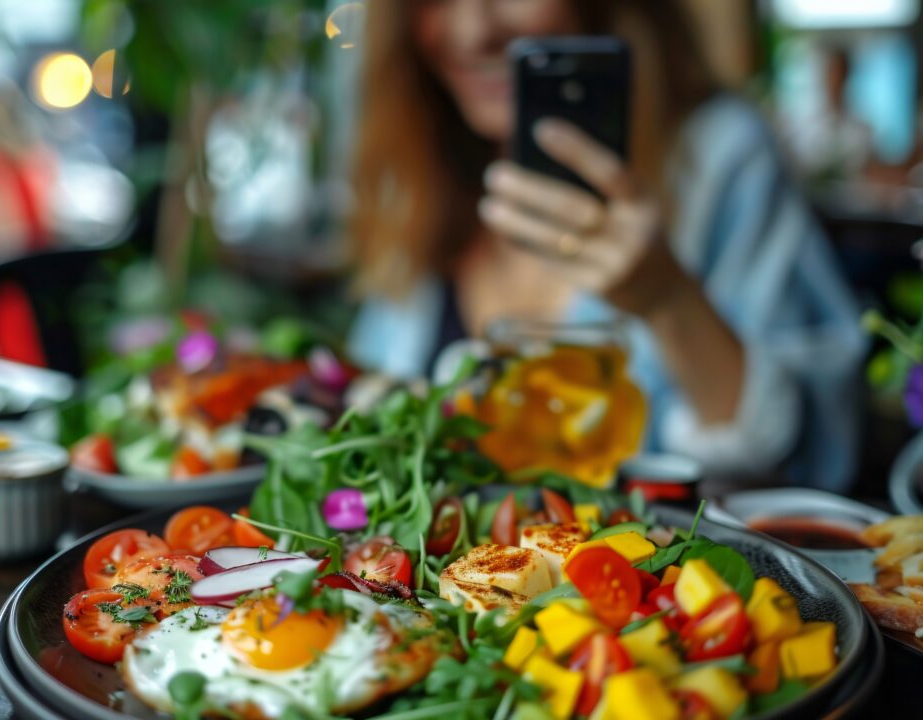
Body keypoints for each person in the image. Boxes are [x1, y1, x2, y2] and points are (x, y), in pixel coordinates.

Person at [345, 0, 865, 492]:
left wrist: (667, 299)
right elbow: (371, 421)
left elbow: (815, 463)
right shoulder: (424, 180)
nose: (473, 30)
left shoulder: (718, 157)